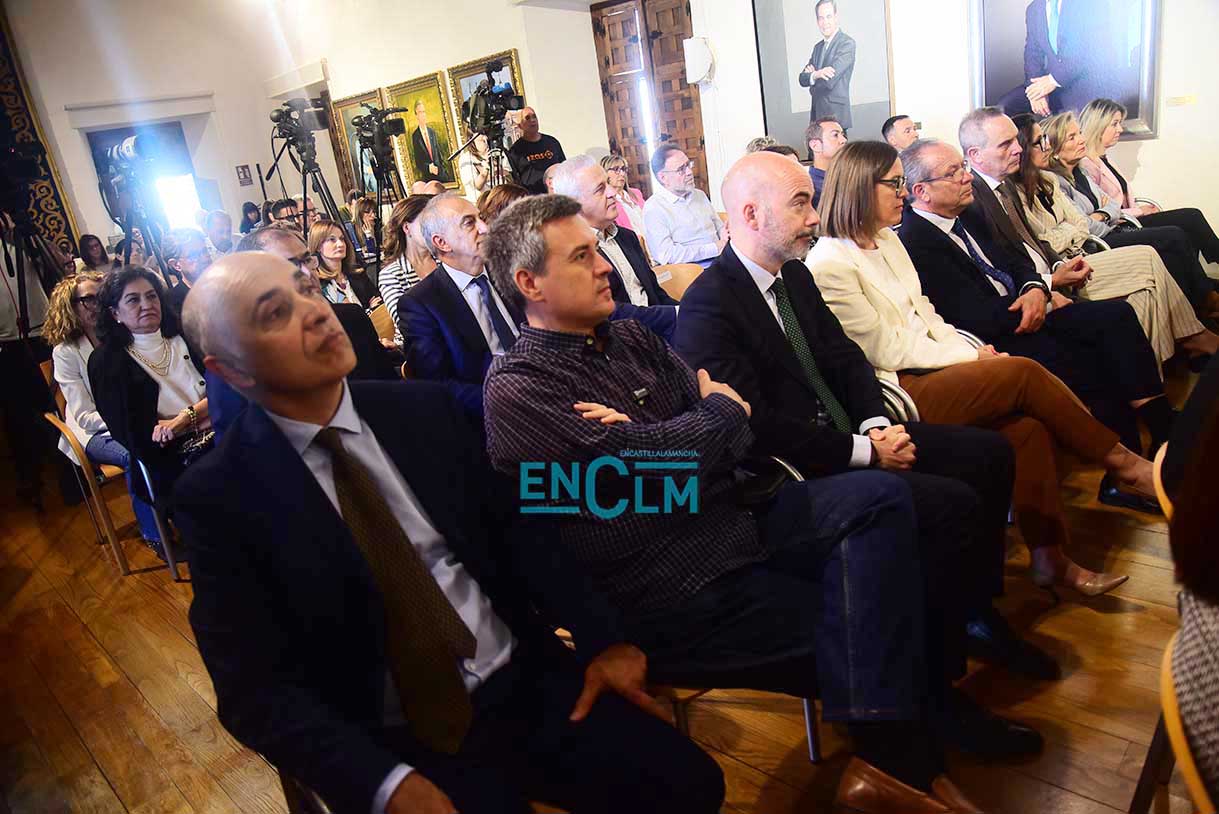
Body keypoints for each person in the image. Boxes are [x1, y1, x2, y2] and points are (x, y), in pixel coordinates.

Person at [483, 193, 1007, 813]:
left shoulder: (630, 338)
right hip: (673, 586)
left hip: (737, 521)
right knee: (877, 607)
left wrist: (658, 444)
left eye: (598, 249)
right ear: (530, 283)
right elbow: (676, 462)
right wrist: (697, 429)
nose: (604, 266)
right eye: (581, 256)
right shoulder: (519, 388)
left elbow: (712, 445)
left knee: (890, 502)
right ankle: (909, 766)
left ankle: (893, 754)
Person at [175, 251, 726, 814]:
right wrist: (384, 784)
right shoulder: (221, 496)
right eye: (275, 313)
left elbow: (527, 531)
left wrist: (604, 638)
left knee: (691, 784)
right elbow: (253, 688)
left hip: (523, 676)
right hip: (397, 735)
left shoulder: (423, 410)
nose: (315, 312)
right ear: (230, 370)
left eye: (309, 289)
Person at [674, 151, 1062, 684]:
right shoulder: (709, 304)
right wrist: (866, 453)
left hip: (846, 436)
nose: (815, 216)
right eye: (800, 203)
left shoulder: (793, 277)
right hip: (790, 473)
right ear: (750, 214)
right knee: (950, 502)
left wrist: (875, 426)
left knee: (991, 453)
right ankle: (939, 666)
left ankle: (974, 610)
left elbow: (846, 360)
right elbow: (753, 425)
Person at [807, 141, 1156, 597]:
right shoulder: (830, 263)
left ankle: (1050, 558)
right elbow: (886, 349)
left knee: (1027, 430)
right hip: (896, 389)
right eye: (894, 184)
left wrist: (972, 349)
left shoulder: (887, 239)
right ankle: (1126, 465)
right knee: (1023, 371)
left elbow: (927, 315)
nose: (904, 193)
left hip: (931, 366)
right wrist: (972, 358)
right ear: (859, 188)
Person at [901, 137, 1178, 473]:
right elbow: (969, 316)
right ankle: (1127, 468)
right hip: (995, 337)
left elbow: (1016, 261)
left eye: (963, 167)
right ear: (922, 191)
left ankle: (1162, 429)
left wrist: (1036, 287)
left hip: (1023, 308)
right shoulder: (916, 242)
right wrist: (1039, 299)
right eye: (953, 172)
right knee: (1093, 356)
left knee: (1116, 315)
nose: (967, 176)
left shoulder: (968, 213)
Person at [1006, 113, 1219, 367]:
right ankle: (1194, 334)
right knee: (1160, 246)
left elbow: (1086, 220)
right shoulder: (1016, 193)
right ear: (1023, 148)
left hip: (1093, 241)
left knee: (1149, 284)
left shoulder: (1049, 180)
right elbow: (1047, 240)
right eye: (1040, 141)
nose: (1047, 146)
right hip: (1077, 257)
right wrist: (1076, 228)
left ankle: (1157, 368)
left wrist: (1083, 224)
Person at [207, 226, 405, 437]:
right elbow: (238, 445)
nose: (307, 273)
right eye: (289, 265)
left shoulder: (351, 319)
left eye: (307, 259)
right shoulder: (235, 362)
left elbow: (392, 397)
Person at [1043, 111, 1219, 318]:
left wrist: (1103, 215)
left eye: (1079, 133)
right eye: (1072, 137)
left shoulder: (1080, 171)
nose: (1082, 140)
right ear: (1055, 150)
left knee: (1184, 225)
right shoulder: (1057, 182)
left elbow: (1113, 205)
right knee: (1173, 235)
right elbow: (1085, 226)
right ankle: (1205, 299)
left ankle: (1195, 303)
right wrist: (1107, 216)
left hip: (1116, 226)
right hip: (1099, 241)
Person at [87, 266, 210, 544]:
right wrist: (206, 413)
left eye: (152, 296)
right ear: (115, 313)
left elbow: (230, 390)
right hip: (174, 459)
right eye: (133, 300)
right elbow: (137, 437)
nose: (147, 305)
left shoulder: (185, 334)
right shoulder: (107, 361)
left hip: (222, 431)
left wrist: (185, 419)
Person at [44, 271, 161, 544]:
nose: (98, 304)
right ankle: (154, 533)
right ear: (71, 306)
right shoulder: (66, 352)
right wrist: (130, 419)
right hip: (94, 431)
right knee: (134, 453)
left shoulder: (120, 334)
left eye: (102, 297)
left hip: (135, 416)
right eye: (89, 299)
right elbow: (84, 416)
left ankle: (177, 511)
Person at [1080, 98, 1219, 262]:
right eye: (1115, 124)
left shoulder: (1105, 160)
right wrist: (1140, 211)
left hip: (1130, 219)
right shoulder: (1087, 165)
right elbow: (1102, 211)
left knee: (1188, 223)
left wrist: (1140, 210)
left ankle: (1194, 274)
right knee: (1190, 217)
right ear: (1098, 125)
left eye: (1120, 123)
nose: (1120, 129)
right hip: (1119, 225)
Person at [550, 156, 678, 318]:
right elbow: (609, 314)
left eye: (608, 184)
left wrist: (687, 312)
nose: (613, 193)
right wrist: (675, 315)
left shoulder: (627, 237)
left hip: (659, 324)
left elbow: (656, 294)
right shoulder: (571, 254)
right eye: (600, 189)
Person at [997, 0, 1114, 117]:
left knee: (1077, 119)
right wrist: (1036, 92)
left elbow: (1090, 50)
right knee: (1004, 108)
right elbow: (1032, 53)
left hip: (1082, 81)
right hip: (1049, 83)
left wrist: (1053, 80)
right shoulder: (1034, 9)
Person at [642, 144, 726, 267]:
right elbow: (666, 255)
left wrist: (726, 237)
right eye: (681, 169)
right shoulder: (654, 208)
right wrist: (714, 248)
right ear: (663, 178)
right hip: (693, 272)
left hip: (722, 261)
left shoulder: (699, 195)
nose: (689, 172)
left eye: (688, 165)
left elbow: (720, 228)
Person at [378, 195, 434, 345]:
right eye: (426, 223)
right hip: (417, 346)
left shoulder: (443, 260)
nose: (434, 229)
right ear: (407, 228)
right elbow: (409, 325)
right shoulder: (391, 274)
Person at [798, 0, 856, 129]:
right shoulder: (817, 47)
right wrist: (817, 74)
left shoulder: (847, 43)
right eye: (821, 18)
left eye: (828, 16)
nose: (825, 22)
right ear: (817, 21)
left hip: (836, 117)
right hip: (817, 117)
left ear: (836, 17)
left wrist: (812, 82)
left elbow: (829, 81)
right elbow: (802, 79)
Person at [308, 220, 381, 309]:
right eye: (332, 239)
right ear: (318, 246)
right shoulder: (317, 284)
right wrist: (369, 311)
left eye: (342, 239)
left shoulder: (357, 273)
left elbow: (377, 301)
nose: (340, 244)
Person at [506, 107, 566, 194]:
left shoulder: (552, 142)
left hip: (556, 194)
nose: (532, 120)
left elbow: (563, 167)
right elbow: (514, 180)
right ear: (520, 125)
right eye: (527, 118)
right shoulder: (516, 151)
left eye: (534, 116)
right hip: (533, 197)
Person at [164, 228, 214, 316]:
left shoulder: (226, 286)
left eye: (205, 251)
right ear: (176, 265)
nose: (205, 259)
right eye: (193, 255)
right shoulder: (171, 305)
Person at [599, 154, 648, 236]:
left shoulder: (636, 193)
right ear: (604, 173)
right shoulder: (607, 201)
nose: (622, 174)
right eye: (616, 169)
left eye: (623, 169)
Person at [409, 99, 454, 184]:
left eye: (424, 112)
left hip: (440, 174)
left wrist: (441, 169)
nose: (423, 114)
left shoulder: (432, 132)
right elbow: (418, 161)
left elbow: (438, 154)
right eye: (420, 112)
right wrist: (429, 168)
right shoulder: (415, 136)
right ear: (416, 115)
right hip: (428, 178)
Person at [806, 117, 847, 209]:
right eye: (835, 135)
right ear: (815, 145)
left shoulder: (848, 177)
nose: (844, 140)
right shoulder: (810, 187)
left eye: (842, 135)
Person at [457, 133, 508, 201]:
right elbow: (478, 186)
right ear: (472, 142)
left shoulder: (499, 153)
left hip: (503, 199)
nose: (486, 142)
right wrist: (486, 169)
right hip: (481, 202)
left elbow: (509, 175)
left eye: (487, 139)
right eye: (482, 140)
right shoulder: (466, 159)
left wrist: (498, 167)